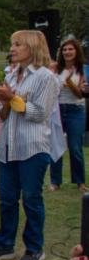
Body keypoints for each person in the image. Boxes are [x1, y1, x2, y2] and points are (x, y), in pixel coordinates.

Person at [0, 30, 60, 260]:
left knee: (31, 199)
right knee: (7, 199)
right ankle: (5, 244)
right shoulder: (12, 74)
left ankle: (34, 248)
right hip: (8, 146)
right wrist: (5, 101)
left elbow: (40, 114)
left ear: (32, 48)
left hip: (32, 147)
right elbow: (2, 114)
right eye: (12, 44)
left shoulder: (45, 77)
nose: (12, 49)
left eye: (18, 45)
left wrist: (13, 100)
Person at [48, 39, 87, 192]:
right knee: (55, 144)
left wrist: (69, 81)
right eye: (64, 50)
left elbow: (79, 94)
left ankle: (80, 182)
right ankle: (55, 181)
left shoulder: (82, 70)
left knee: (75, 147)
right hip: (57, 109)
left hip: (75, 110)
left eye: (70, 49)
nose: (67, 52)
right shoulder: (55, 69)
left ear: (76, 51)